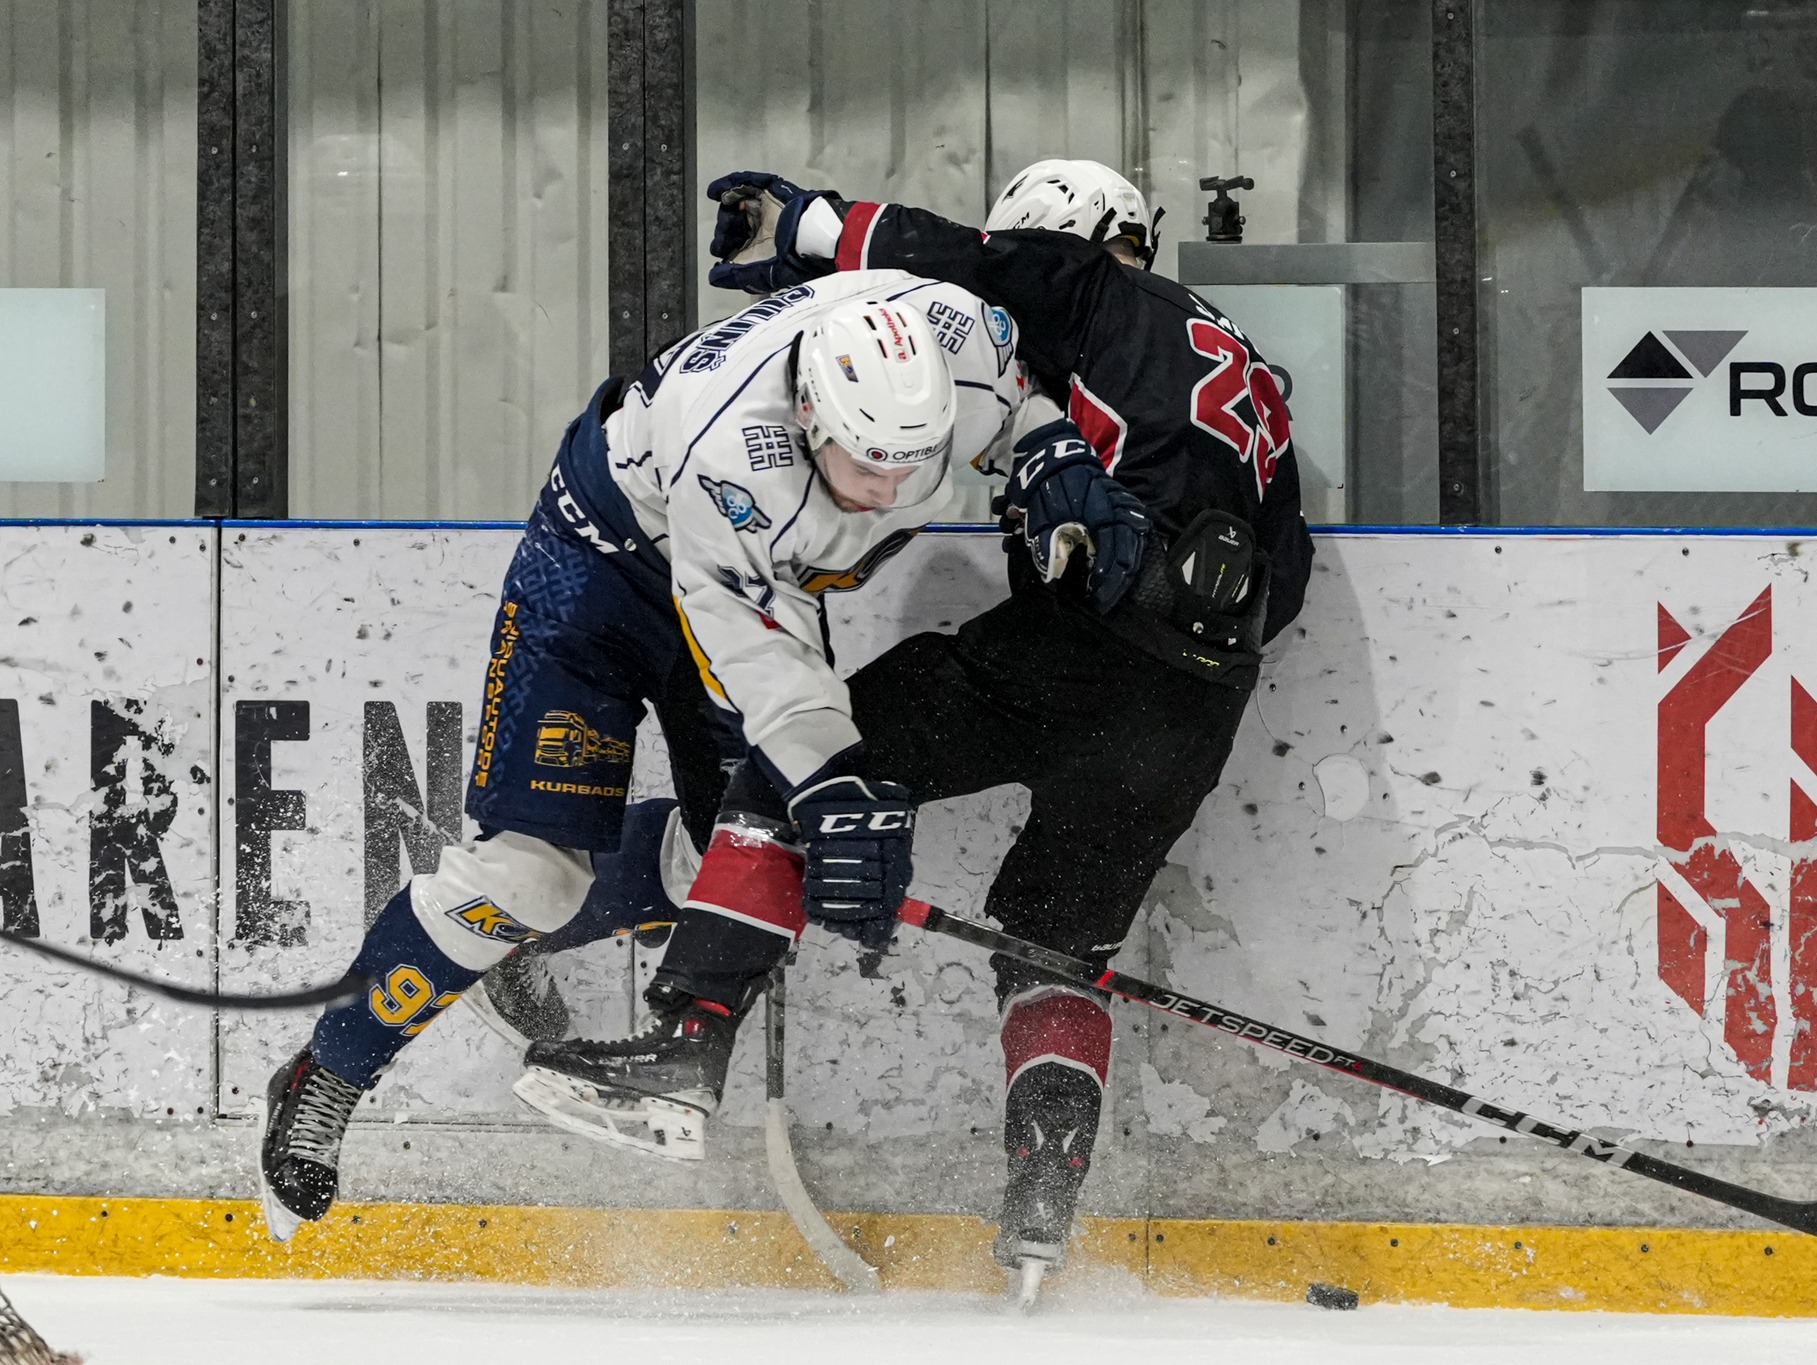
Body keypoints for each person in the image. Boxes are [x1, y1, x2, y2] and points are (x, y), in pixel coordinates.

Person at [518, 160, 1313, 1283]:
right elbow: (1284, 579)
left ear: (1073, 236)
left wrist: (805, 225)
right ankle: (1039, 1217)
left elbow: (955, 266)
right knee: (1053, 949)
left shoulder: (1085, 286)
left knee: (798, 781)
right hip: (1196, 707)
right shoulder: (1245, 368)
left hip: (1064, 656)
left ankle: (685, 1050)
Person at [256, 272, 1028, 1241]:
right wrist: (831, 782)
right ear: (805, 410)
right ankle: (330, 1066)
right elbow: (752, 642)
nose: (888, 490)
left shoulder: (962, 353)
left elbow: (1017, 393)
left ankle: (507, 948)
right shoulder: (732, 452)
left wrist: (1050, 452)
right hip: (605, 566)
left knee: (741, 861)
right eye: (863, 466)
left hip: (752, 586)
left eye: (911, 466)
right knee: (529, 875)